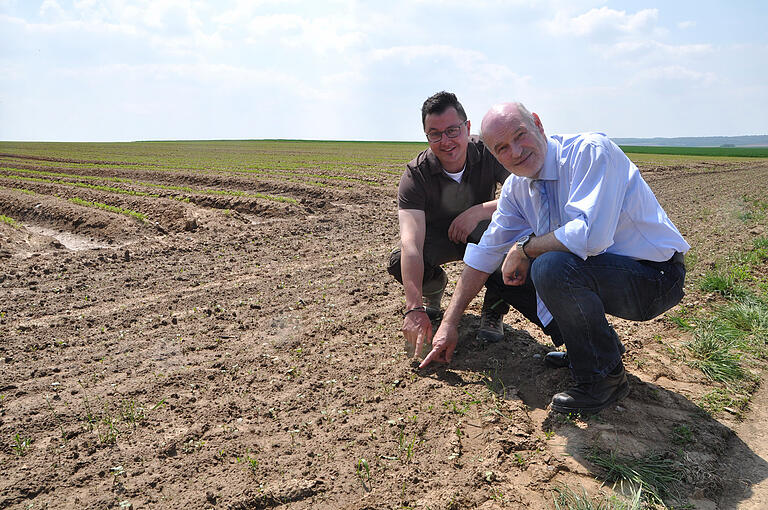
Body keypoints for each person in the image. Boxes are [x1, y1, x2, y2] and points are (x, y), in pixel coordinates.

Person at [419, 102, 689, 414]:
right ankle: (590, 350)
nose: (516, 152)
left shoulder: (589, 152)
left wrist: (524, 249)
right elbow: (484, 253)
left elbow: (591, 236)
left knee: (549, 266)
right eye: (502, 148)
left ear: (537, 123)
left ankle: (603, 378)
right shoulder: (517, 189)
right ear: (494, 155)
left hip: (655, 277)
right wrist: (449, 324)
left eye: (520, 135)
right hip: (607, 275)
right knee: (506, 271)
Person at [388, 91, 510, 356]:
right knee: (400, 261)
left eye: (453, 130)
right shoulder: (416, 175)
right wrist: (413, 307)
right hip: (438, 240)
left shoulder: (489, 153)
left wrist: (478, 211)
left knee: (514, 246)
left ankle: (494, 310)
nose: (445, 141)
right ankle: (433, 287)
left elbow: (527, 193)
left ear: (467, 128)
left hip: (479, 235)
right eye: (435, 133)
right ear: (426, 135)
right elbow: (411, 244)